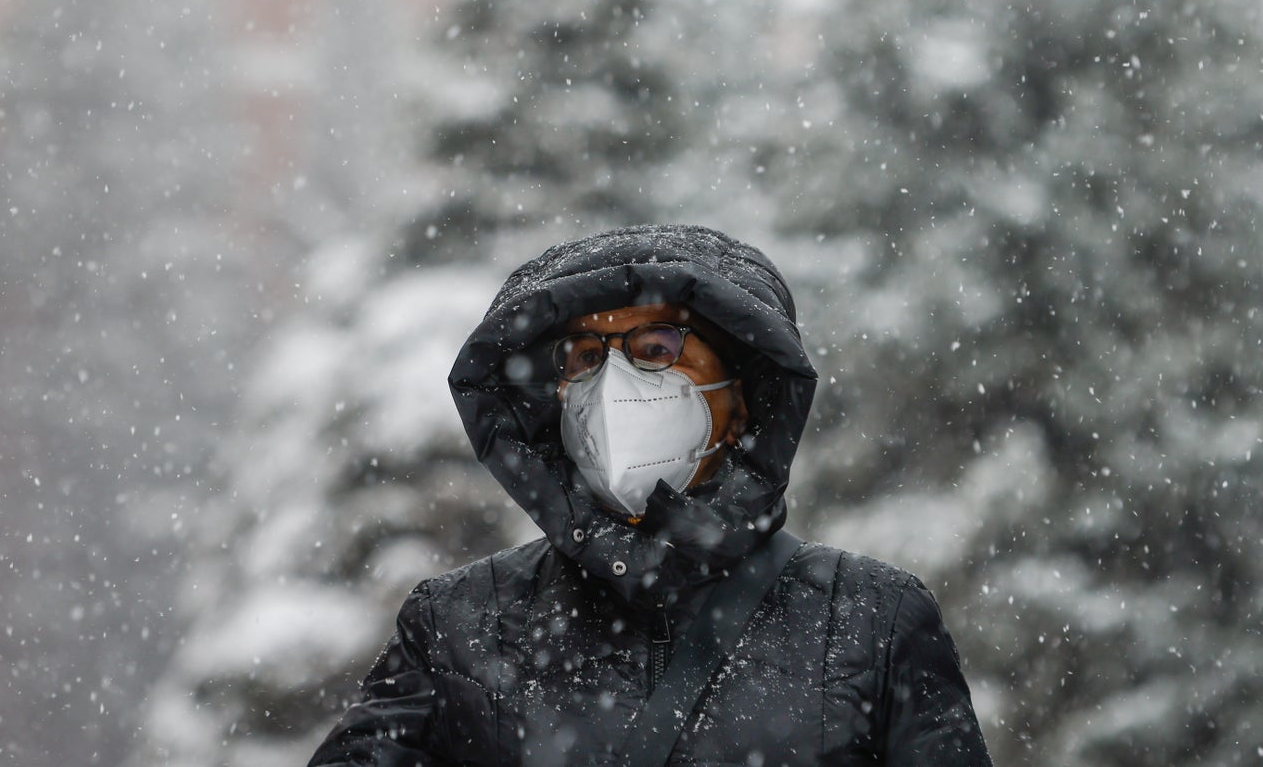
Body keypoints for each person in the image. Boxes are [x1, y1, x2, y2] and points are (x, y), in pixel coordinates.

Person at [308, 224, 992, 766]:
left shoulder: (870, 622)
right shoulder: (457, 625)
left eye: (657, 347)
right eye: (583, 357)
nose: (612, 385)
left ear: (745, 394)